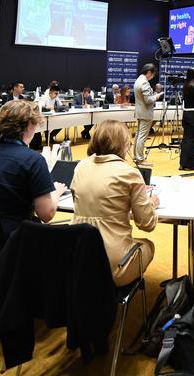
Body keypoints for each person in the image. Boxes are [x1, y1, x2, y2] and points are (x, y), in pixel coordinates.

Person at [71, 120, 159, 287]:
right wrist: (151, 204)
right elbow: (147, 224)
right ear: (123, 144)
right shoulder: (129, 173)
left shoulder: (80, 167)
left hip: (78, 257)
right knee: (148, 245)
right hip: (113, 265)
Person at [0, 100, 66, 236]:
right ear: (29, 125)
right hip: (15, 241)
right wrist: (56, 193)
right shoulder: (33, 160)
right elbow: (46, 214)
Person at [132, 64, 162, 167]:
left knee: (138, 136)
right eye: (152, 74)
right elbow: (148, 100)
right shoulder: (144, 82)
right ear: (149, 72)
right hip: (145, 113)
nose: (152, 77)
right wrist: (156, 96)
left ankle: (136, 157)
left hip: (140, 112)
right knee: (142, 137)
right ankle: (140, 159)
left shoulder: (138, 80)